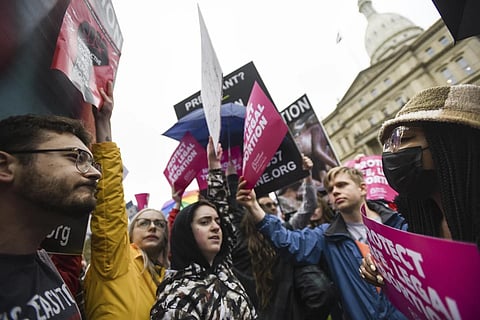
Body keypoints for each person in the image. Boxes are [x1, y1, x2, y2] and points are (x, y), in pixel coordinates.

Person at [237, 166, 408, 320]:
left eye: (341, 185)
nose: (335, 192)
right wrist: (253, 207)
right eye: (331, 189)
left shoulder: (398, 225)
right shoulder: (327, 236)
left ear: (362, 188)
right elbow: (289, 243)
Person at [360, 83, 480, 284]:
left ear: (448, 143)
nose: (390, 153)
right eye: (389, 144)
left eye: (403, 138)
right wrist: (394, 271)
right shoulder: (419, 223)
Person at [0, 113, 100, 318]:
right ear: (5, 167)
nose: (95, 174)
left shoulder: (45, 263)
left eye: (90, 162)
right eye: (75, 157)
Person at [83, 81, 169, 319]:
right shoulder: (118, 259)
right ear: (129, 232)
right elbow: (110, 211)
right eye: (144, 222)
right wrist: (104, 125)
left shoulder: (171, 282)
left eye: (160, 224)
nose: (153, 226)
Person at [150, 137, 257, 319]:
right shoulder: (177, 299)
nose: (216, 227)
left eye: (217, 222)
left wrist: (214, 164)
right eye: (204, 222)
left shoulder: (223, 269)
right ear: (186, 234)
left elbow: (220, 206)